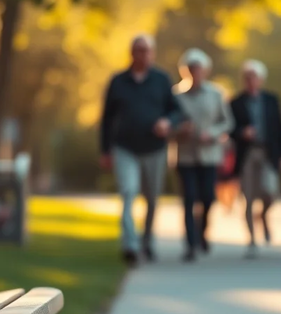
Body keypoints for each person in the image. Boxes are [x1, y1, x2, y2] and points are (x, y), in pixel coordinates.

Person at [99, 34, 183, 266]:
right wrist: (105, 150)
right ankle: (131, 246)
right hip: (125, 148)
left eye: (147, 51)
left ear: (152, 53)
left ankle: (148, 241)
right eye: (139, 50)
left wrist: (167, 122)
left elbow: (176, 111)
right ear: (132, 53)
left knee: (152, 199)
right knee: (128, 191)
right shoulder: (118, 81)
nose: (143, 55)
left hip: (154, 149)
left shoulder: (161, 79)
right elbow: (106, 118)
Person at [174, 48, 234, 262]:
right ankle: (190, 244)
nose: (195, 72)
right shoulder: (176, 96)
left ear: (205, 71)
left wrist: (214, 133)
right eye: (191, 69)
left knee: (208, 198)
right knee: (189, 198)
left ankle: (202, 233)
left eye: (198, 69)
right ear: (185, 71)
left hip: (209, 155)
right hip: (185, 155)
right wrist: (180, 129)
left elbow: (227, 122)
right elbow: (169, 123)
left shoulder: (216, 94)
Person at [229, 59, 281, 257]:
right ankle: (252, 239)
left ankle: (262, 215)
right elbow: (229, 130)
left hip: (267, 153)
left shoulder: (271, 100)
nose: (251, 80)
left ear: (261, 79)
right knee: (247, 197)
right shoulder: (235, 102)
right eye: (247, 77)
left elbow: (279, 130)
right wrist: (241, 132)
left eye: (254, 77)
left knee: (270, 191)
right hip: (247, 154)